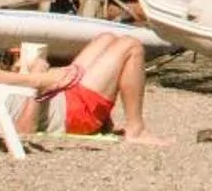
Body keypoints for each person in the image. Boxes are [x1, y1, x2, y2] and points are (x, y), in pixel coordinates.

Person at [17, 34, 166, 145]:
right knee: (131, 46)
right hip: (71, 113)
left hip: (57, 92)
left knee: (106, 38)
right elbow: (25, 130)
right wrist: (38, 78)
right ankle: (136, 129)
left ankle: (104, 123)